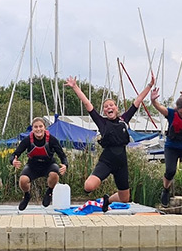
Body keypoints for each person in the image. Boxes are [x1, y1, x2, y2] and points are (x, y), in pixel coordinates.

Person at [65, 74, 154, 212]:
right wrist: (75, 87)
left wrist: (149, 85)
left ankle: (107, 200)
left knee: (124, 198)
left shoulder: (124, 119)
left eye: (111, 105)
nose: (108, 107)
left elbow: (138, 100)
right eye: (106, 107)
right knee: (88, 186)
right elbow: (87, 103)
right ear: (104, 111)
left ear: (116, 108)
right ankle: (97, 193)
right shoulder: (102, 122)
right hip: (107, 160)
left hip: (121, 163)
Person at [10, 117, 68, 211]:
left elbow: (63, 156)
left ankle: (49, 192)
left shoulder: (52, 140)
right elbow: (15, 154)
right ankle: (27, 195)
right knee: (23, 180)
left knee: (55, 174)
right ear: (32, 129)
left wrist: (65, 165)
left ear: (45, 128)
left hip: (49, 165)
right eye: (35, 127)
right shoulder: (27, 140)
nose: (38, 129)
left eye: (40, 126)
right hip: (33, 166)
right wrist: (13, 161)